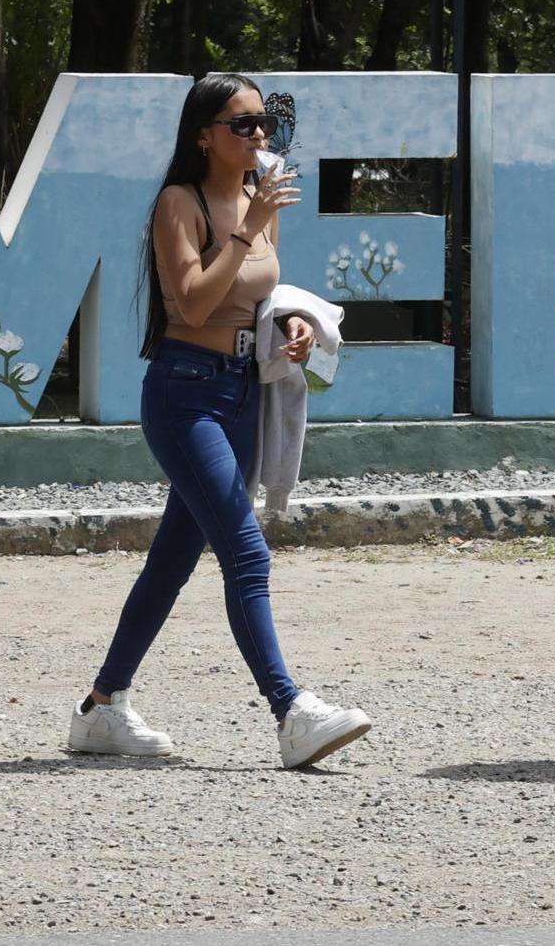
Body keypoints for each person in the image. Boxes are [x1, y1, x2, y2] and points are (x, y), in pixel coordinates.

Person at [67, 73, 373, 770]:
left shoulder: (254, 202)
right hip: (184, 396)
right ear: (203, 134)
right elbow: (195, 304)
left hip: (240, 393)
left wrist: (293, 323)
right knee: (246, 552)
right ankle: (290, 710)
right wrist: (249, 225)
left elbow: (255, 301)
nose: (258, 135)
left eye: (263, 122)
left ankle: (101, 708)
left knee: (173, 560)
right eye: (241, 124)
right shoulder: (181, 203)